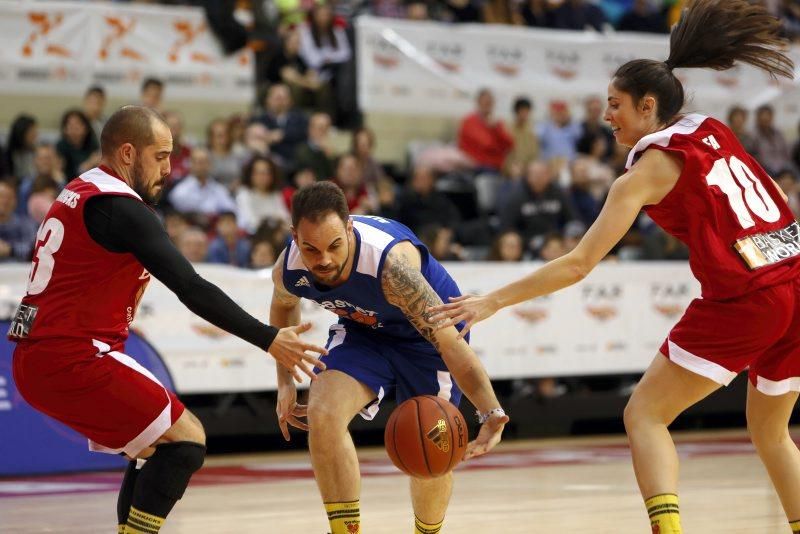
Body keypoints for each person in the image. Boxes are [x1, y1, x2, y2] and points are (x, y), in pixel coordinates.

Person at [427, 2, 800, 533]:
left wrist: (492, 301)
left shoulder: (644, 174)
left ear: (648, 106)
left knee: (643, 415)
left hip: (751, 295)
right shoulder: (713, 129)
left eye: (614, 105)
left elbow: (579, 263)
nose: (606, 117)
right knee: (771, 432)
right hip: (795, 280)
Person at [9, 106, 327, 534]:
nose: (168, 168)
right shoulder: (120, 208)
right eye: (159, 156)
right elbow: (191, 286)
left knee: (156, 446)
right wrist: (269, 338)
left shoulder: (81, 189)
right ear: (127, 153)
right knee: (188, 440)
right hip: (72, 355)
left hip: (44, 354)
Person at [270, 182, 507, 534]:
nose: (324, 260)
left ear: (349, 227)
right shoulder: (289, 267)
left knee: (431, 447)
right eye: (311, 248)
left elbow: (451, 346)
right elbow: (283, 307)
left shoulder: (392, 268)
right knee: (323, 412)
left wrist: (490, 411)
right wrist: (286, 381)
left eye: (335, 246)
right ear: (294, 236)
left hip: (428, 341)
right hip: (364, 330)